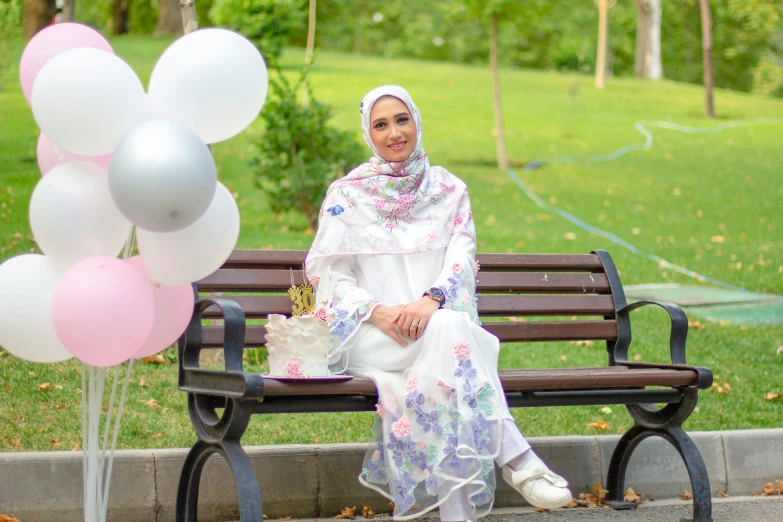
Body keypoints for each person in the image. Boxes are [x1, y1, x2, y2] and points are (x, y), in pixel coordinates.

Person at [305, 86, 572, 521]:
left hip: (434, 329)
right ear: (368, 134)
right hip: (371, 337)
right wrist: (381, 313)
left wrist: (431, 302)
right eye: (381, 124)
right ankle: (520, 462)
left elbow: (461, 258)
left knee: (447, 363)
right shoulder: (347, 195)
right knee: (453, 339)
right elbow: (330, 276)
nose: (394, 132)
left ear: (417, 121)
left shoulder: (449, 189)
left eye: (401, 119)